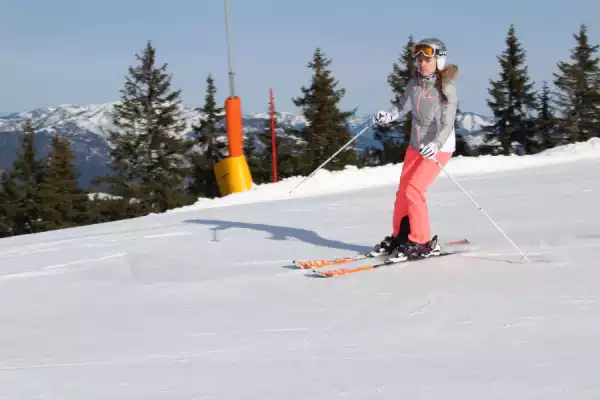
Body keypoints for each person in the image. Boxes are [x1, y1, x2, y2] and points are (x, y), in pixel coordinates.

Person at [370, 37, 459, 260]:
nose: (421, 63)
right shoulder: (414, 84)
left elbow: (448, 123)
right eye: (419, 59)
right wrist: (389, 115)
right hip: (416, 145)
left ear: (439, 60)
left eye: (427, 59)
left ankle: (421, 242)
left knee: (414, 190)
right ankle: (401, 236)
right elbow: (403, 107)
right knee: (403, 191)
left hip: (439, 146)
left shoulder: (446, 87)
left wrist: (436, 144)